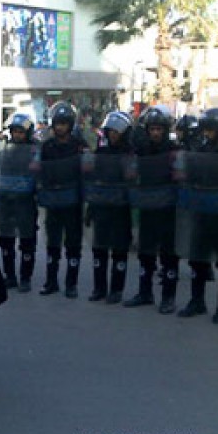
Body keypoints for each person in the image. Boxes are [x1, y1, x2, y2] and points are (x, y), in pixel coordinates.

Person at [123, 105, 180, 313]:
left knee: (169, 254)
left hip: (168, 210)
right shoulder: (141, 150)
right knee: (145, 253)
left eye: (159, 129)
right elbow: (131, 173)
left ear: (165, 130)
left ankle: (168, 297)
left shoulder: (174, 150)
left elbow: (181, 176)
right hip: (148, 207)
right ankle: (145, 292)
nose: (155, 133)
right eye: (152, 129)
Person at [176, 108, 218, 322]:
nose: (207, 133)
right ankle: (197, 301)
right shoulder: (201, 149)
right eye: (205, 129)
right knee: (197, 259)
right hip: (201, 211)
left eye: (210, 129)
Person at [35, 101, 87, 298]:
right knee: (53, 242)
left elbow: (87, 171)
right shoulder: (47, 147)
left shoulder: (79, 146)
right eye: (57, 123)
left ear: (70, 125)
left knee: (73, 243)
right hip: (53, 201)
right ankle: (51, 282)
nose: (60, 128)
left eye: (64, 124)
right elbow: (39, 170)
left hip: (73, 201)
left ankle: (71, 284)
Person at [84, 111, 133, 304]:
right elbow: (92, 180)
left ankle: (116, 289)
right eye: (110, 131)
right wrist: (90, 207)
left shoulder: (130, 153)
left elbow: (133, 179)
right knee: (99, 249)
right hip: (101, 206)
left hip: (122, 208)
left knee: (120, 250)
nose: (113, 135)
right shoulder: (100, 153)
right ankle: (99, 288)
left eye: (117, 132)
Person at [0, 113, 38, 292]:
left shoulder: (35, 150)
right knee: (6, 241)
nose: (17, 135)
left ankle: (25, 278)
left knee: (27, 241)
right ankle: (9, 276)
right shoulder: (2, 150)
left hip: (26, 202)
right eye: (14, 131)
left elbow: (40, 172)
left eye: (21, 132)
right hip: (6, 202)